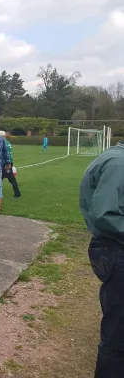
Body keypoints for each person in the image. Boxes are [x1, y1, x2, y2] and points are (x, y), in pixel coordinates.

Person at [80, 139, 124, 377]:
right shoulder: (119, 163)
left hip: (113, 248)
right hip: (115, 250)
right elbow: (106, 215)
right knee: (118, 334)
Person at [0, 131, 21, 198]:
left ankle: (17, 194)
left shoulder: (2, 143)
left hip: (6, 164)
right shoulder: (7, 142)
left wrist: (7, 163)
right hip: (7, 163)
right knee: (0, 177)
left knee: (11, 179)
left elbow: (4, 154)